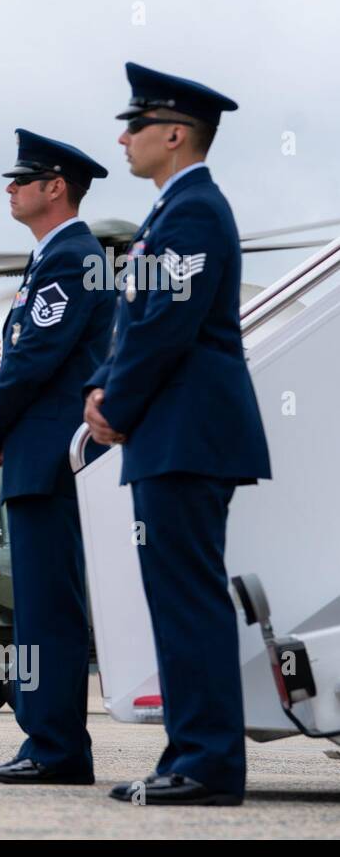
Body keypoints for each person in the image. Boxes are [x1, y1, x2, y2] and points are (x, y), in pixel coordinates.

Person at [85, 64, 270, 806]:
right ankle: (190, 754)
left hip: (185, 432)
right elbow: (145, 323)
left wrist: (115, 405)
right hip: (176, 432)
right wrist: (106, 386)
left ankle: (206, 765)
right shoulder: (174, 213)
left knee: (188, 597)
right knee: (178, 597)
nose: (123, 138)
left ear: (174, 134)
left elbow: (166, 326)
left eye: (136, 126)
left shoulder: (191, 212)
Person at [0, 129, 112, 785]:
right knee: (40, 606)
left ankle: (55, 748)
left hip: (46, 458)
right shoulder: (53, 259)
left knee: (49, 609)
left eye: (21, 180)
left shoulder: (70, 257)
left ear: (55, 188)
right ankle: (46, 740)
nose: (10, 188)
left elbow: (34, 358)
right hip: (38, 455)